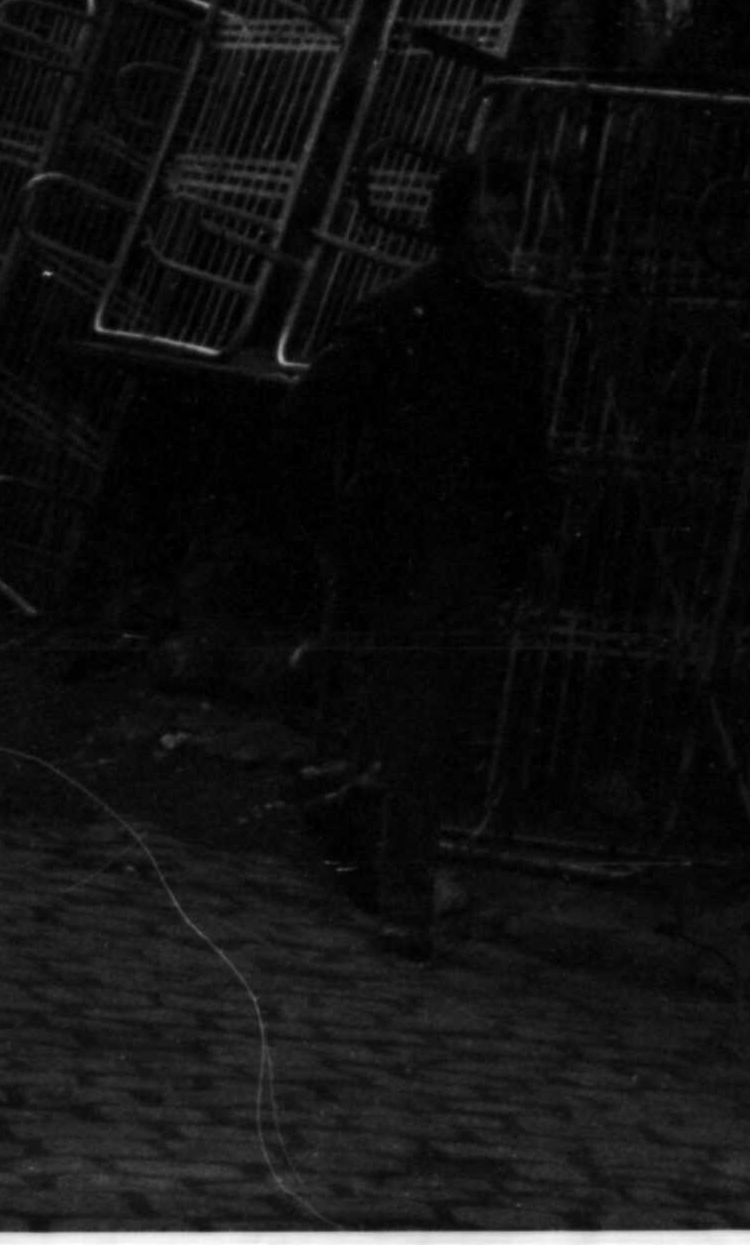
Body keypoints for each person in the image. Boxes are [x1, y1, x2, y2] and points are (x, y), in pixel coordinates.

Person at [289, 152, 557, 958]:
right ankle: (402, 894)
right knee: (421, 721)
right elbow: (317, 410)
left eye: (508, 220)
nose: (499, 236)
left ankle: (372, 842)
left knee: (436, 720)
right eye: (486, 219)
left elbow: (524, 447)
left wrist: (531, 539)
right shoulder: (405, 312)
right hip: (411, 542)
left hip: (467, 543)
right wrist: (345, 515)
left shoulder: (512, 323)